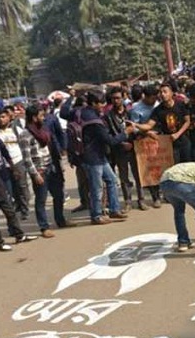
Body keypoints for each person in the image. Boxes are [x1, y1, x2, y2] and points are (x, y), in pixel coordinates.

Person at [80, 90, 136, 225]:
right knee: (96, 188)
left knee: (111, 180)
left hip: (99, 155)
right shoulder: (94, 121)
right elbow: (109, 140)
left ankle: (114, 209)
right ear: (93, 103)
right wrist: (125, 133)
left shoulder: (88, 113)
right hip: (93, 158)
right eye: (101, 104)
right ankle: (96, 215)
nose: (103, 106)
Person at [19, 105, 72, 238]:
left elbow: (52, 147)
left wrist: (59, 163)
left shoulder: (44, 130)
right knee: (41, 200)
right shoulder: (25, 135)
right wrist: (35, 174)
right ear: (34, 117)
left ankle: (60, 220)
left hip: (52, 166)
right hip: (40, 170)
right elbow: (26, 158)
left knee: (59, 195)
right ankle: (44, 227)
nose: (44, 118)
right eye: (41, 116)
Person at [104, 86, 145, 212]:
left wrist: (136, 138)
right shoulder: (108, 116)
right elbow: (109, 135)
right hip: (119, 149)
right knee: (124, 176)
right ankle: (128, 201)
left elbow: (137, 127)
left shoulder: (131, 112)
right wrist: (121, 143)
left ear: (123, 98)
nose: (116, 101)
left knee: (138, 175)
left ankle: (141, 200)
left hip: (134, 147)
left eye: (118, 98)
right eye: (114, 98)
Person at [137, 82, 192, 164]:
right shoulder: (158, 110)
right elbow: (149, 125)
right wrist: (136, 125)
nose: (162, 94)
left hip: (184, 141)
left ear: (171, 93)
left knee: (188, 166)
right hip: (170, 144)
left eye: (165, 91)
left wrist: (178, 134)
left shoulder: (180, 104)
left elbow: (187, 121)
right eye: (161, 92)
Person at [0, 107, 31, 220]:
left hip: (18, 161)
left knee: (21, 186)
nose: (1, 119)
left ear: (9, 118)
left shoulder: (17, 129)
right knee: (11, 189)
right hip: (4, 164)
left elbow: (25, 145)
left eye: (3, 117)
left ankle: (25, 209)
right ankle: (17, 207)